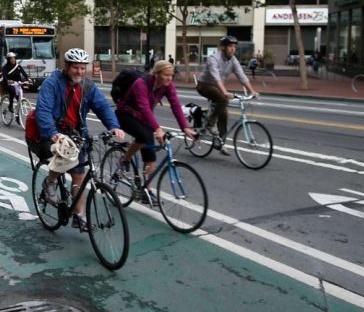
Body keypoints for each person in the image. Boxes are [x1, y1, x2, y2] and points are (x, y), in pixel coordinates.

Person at [31, 48, 125, 230]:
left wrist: (114, 126)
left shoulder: (88, 87)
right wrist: (52, 132)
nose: (79, 72)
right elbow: (43, 110)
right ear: (66, 67)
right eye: (76, 68)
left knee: (79, 176)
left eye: (83, 68)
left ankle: (79, 216)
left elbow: (103, 107)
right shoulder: (52, 84)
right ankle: (49, 182)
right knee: (65, 157)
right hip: (53, 133)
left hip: (77, 133)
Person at [115, 60, 196, 202]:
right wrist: (158, 129)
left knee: (150, 155)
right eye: (166, 75)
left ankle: (147, 190)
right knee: (143, 136)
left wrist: (185, 127)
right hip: (125, 114)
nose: (170, 78)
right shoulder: (141, 83)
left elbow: (176, 105)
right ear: (157, 74)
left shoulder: (168, 86)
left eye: (171, 75)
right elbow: (144, 108)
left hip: (143, 118)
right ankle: (125, 159)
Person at [196, 36, 259, 155]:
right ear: (223, 47)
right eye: (230, 47)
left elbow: (241, 76)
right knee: (223, 99)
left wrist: (252, 91)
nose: (233, 49)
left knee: (224, 114)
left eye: (234, 47)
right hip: (203, 86)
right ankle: (210, 124)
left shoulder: (233, 60)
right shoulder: (213, 58)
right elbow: (216, 77)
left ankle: (220, 143)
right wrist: (224, 92)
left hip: (216, 87)